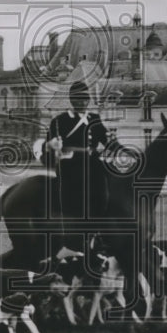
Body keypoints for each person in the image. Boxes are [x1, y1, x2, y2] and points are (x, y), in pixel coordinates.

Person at [43, 80, 111, 252]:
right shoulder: (59, 121)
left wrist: (121, 149)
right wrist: (53, 145)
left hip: (93, 164)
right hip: (71, 165)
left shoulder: (94, 119)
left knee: (107, 189)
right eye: (78, 99)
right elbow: (47, 147)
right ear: (71, 100)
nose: (82, 102)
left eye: (85, 99)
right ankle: (76, 234)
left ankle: (100, 231)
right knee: (73, 198)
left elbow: (107, 141)